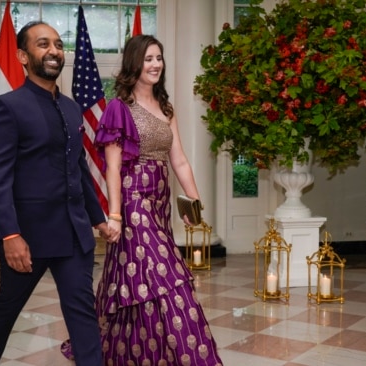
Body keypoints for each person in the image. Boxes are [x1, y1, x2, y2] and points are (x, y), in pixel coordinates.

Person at [63, 34, 223, 365]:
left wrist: (193, 202)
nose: (155, 65)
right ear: (135, 63)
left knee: (139, 278)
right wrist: (116, 215)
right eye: (149, 58)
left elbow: (178, 159)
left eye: (159, 58)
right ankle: (191, 355)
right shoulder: (119, 109)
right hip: (134, 201)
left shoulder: (165, 108)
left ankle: (137, 353)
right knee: (167, 275)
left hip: (160, 202)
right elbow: (113, 167)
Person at [0, 21, 113, 366]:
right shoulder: (7, 107)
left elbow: (78, 169)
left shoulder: (70, 108)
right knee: (7, 308)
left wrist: (99, 219)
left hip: (73, 233)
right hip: (27, 236)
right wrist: (10, 233)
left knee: (83, 313)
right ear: (23, 55)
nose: (53, 50)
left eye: (58, 44)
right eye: (42, 44)